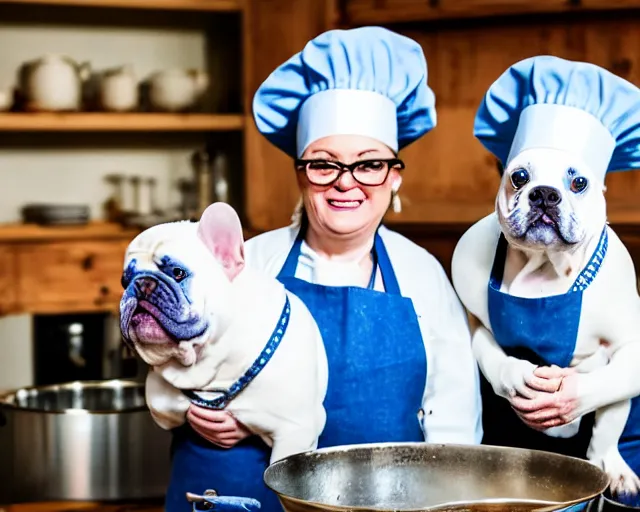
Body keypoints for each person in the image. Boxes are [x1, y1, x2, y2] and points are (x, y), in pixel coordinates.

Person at [165, 26, 483, 512]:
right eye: (324, 164)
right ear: (299, 172)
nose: (346, 184)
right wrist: (200, 412)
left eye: (368, 164)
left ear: (394, 176)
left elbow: (454, 418)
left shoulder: (422, 274)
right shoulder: (251, 262)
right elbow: (178, 359)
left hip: (386, 500)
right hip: (251, 492)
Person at [471, 55, 640, 509]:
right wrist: (502, 373)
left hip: (608, 425)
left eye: (576, 185)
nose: (546, 198)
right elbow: (473, 327)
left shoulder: (614, 267)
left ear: (602, 195)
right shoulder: (474, 253)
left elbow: (634, 354)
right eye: (523, 179)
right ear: (501, 182)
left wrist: (586, 393)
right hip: (509, 429)